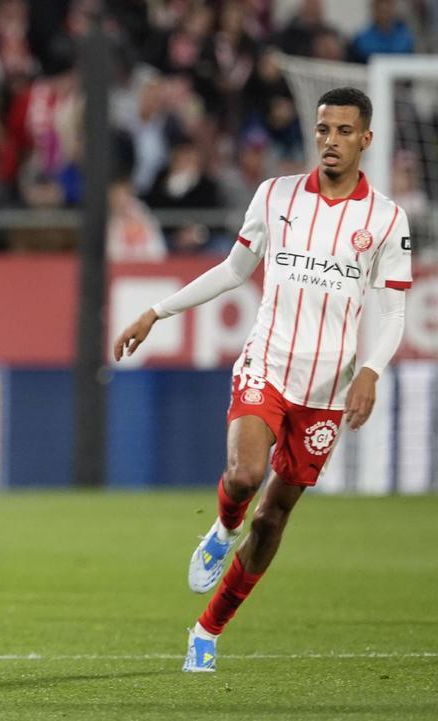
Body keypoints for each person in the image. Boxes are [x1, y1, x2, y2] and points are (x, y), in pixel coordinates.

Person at [113, 87, 411, 673]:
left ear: (366, 140)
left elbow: (394, 310)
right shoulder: (275, 197)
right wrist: (157, 311)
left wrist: (370, 370)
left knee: (274, 518)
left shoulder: (385, 220)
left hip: (326, 390)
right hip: (268, 363)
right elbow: (233, 269)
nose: (330, 141)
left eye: (344, 131)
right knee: (245, 473)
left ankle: (208, 629)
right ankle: (222, 531)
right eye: (323, 129)